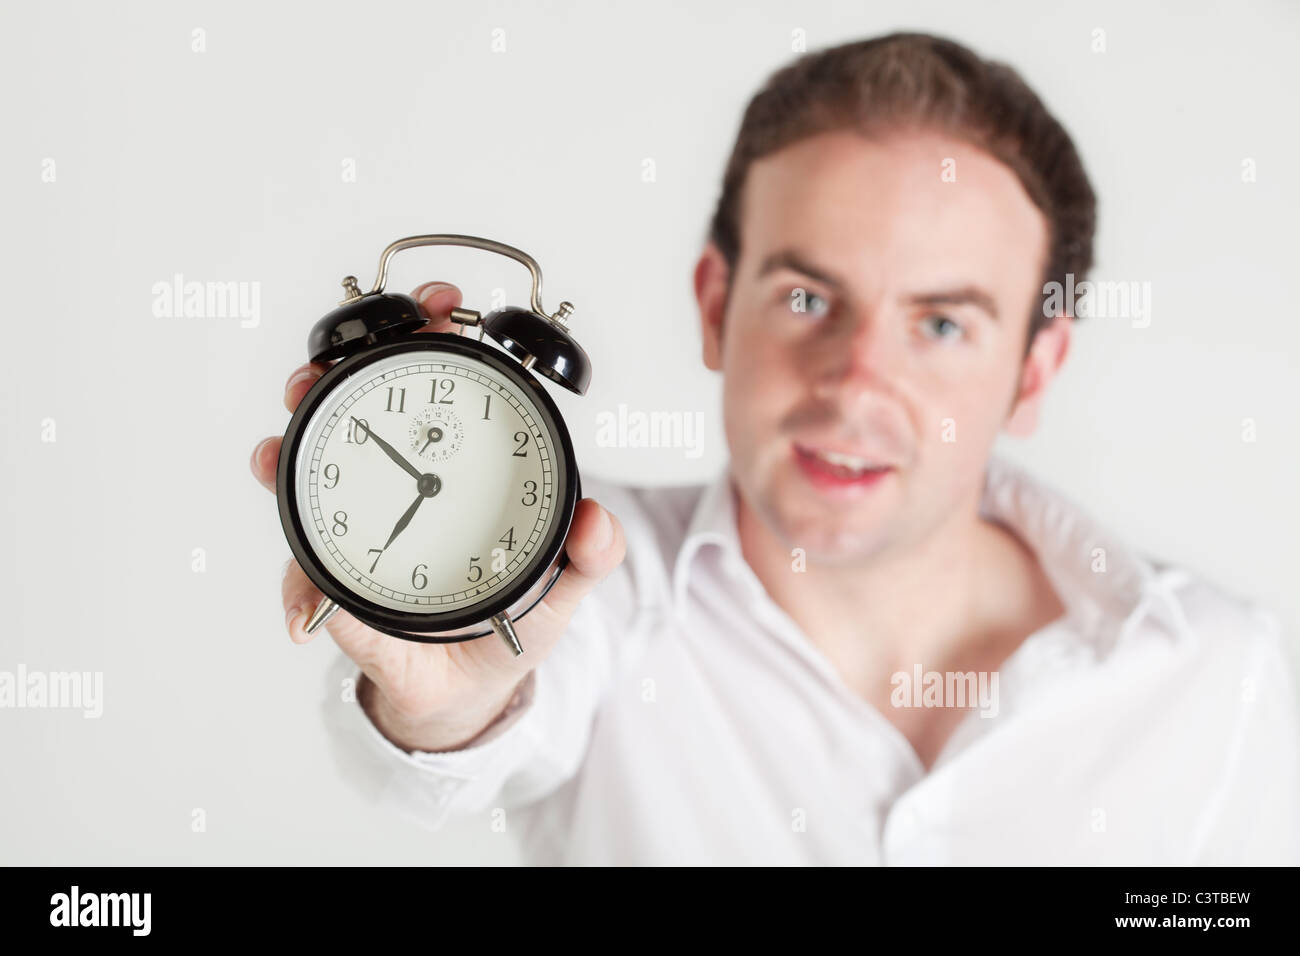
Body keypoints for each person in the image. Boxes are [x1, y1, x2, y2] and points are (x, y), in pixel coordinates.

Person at [248, 32, 1300, 865]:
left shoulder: (1217, 678)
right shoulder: (577, 583)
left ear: (1033, 367)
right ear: (715, 307)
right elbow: (447, 745)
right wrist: (447, 693)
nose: (853, 382)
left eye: (940, 323)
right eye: (807, 297)